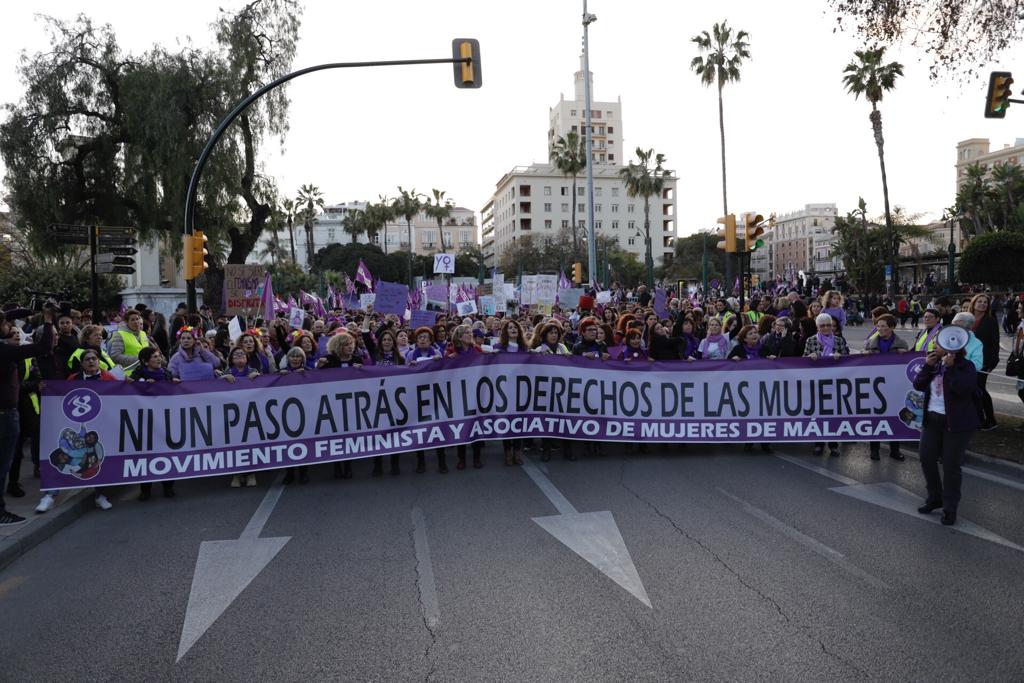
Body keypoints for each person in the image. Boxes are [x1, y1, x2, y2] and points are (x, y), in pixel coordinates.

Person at [913, 334, 981, 526]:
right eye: (935, 343)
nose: (935, 347)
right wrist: (927, 366)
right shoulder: (933, 365)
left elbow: (963, 390)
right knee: (926, 458)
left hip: (956, 423)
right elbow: (918, 384)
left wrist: (950, 369)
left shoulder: (965, 366)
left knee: (951, 466)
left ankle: (950, 508)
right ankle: (935, 497)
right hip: (932, 420)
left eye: (938, 344)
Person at [804, 313, 850, 457]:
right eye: (822, 325)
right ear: (817, 327)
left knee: (833, 415)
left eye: (828, 325)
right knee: (818, 414)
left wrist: (840, 357)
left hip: (835, 382)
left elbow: (848, 360)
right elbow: (802, 361)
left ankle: (833, 445)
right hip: (817, 383)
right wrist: (810, 357)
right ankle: (819, 443)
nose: (825, 328)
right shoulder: (811, 340)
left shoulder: (839, 341)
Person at [863, 314, 908, 461]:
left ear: (892, 327)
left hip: (894, 386)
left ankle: (894, 450)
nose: (880, 329)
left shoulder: (901, 343)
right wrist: (865, 355)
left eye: (884, 326)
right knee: (875, 418)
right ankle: (874, 449)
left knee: (894, 417)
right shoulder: (870, 343)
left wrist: (905, 354)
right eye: (878, 326)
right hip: (875, 386)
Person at [966, 293, 1000, 430]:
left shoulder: (990, 320)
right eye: (979, 301)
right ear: (973, 303)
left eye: (985, 302)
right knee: (971, 389)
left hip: (983, 361)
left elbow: (995, 342)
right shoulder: (967, 318)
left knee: (980, 388)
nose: (982, 304)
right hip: (967, 360)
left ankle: (991, 420)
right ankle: (977, 418)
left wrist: (992, 363)